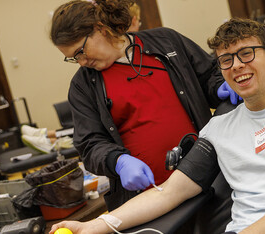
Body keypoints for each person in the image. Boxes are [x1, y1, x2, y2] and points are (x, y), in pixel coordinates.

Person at [50, 18, 265, 234]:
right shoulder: (218, 130)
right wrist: (93, 226)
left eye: (246, 54)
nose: (237, 66)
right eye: (226, 60)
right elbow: (169, 192)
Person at [50, 0, 237, 212]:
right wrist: (118, 161)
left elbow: (209, 75)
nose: (81, 61)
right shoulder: (83, 86)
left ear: (100, 29)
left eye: (80, 51)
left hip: (209, 181)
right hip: (148, 202)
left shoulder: (167, 42)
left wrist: (220, 85)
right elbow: (90, 144)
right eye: (73, 59)